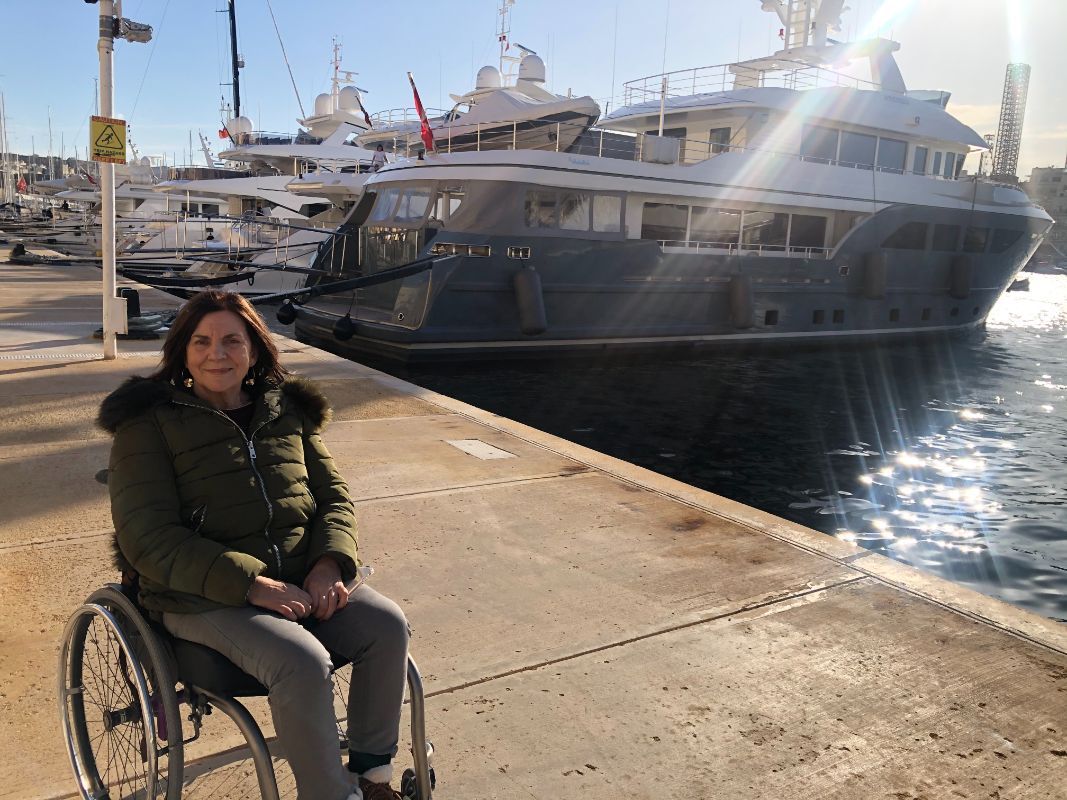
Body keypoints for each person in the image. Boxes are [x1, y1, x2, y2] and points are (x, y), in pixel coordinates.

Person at [97, 290, 409, 800]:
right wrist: (251, 585)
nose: (216, 354)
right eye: (201, 341)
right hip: (199, 593)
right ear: (182, 351)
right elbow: (147, 539)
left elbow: (335, 497)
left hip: (302, 576)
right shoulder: (146, 425)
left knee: (386, 625)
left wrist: (330, 563)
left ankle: (373, 778)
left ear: (256, 351)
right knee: (301, 661)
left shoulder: (287, 411)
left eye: (231, 341)